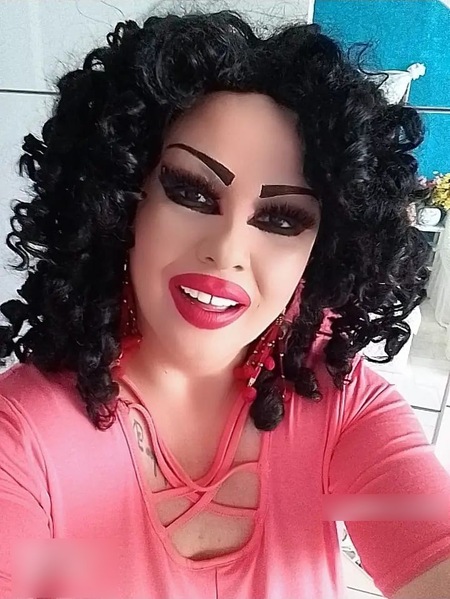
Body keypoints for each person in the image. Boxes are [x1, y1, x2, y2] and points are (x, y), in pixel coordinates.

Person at [0, 9, 449, 599]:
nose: (227, 250)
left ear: (323, 249)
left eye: (282, 218)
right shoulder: (20, 436)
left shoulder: (340, 402)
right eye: (191, 192)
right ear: (124, 199)